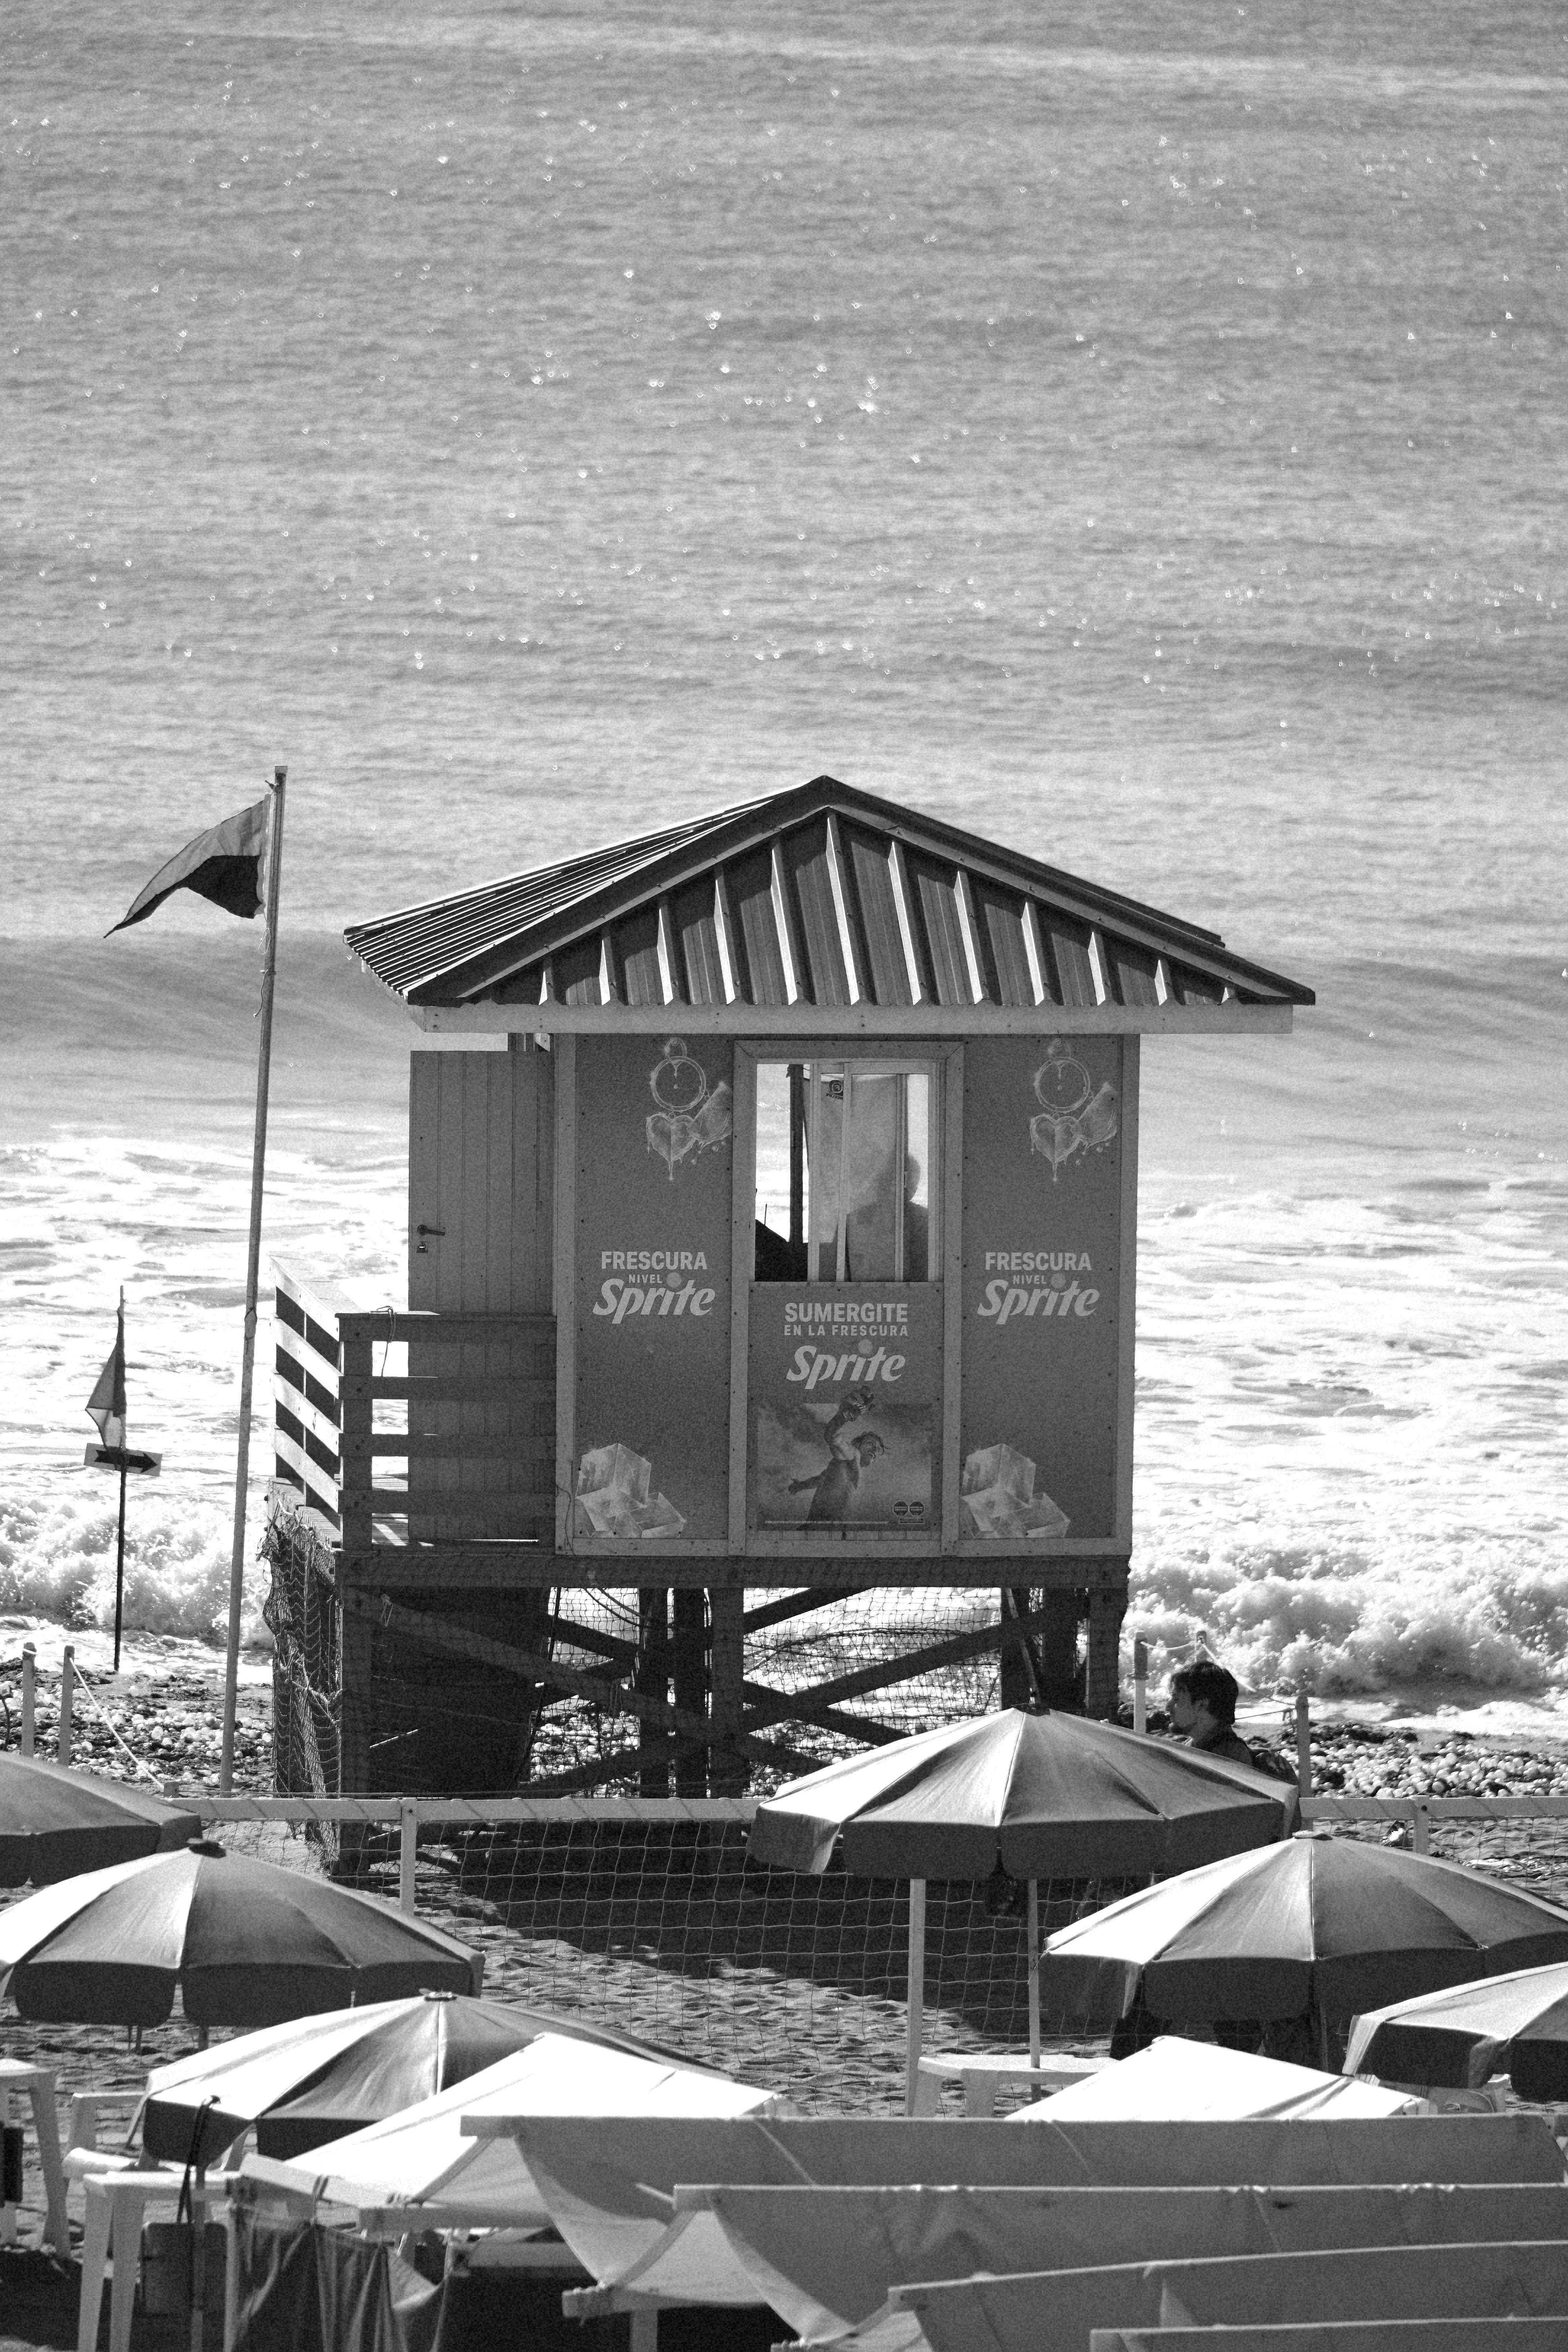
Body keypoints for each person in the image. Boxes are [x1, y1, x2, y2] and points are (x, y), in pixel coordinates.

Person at [789, 1387, 885, 1522]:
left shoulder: (855, 1456)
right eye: (871, 1444)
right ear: (857, 1445)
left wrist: (842, 1417)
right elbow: (820, 1480)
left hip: (828, 1528)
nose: (875, 1450)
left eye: (878, 1450)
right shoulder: (842, 1464)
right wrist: (802, 1485)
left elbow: (832, 1436)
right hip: (817, 1527)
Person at [1168, 1659, 1257, 1768]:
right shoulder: (1198, 1746)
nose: (1167, 1707)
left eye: (1176, 1699)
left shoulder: (1230, 1758)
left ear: (1201, 1705)